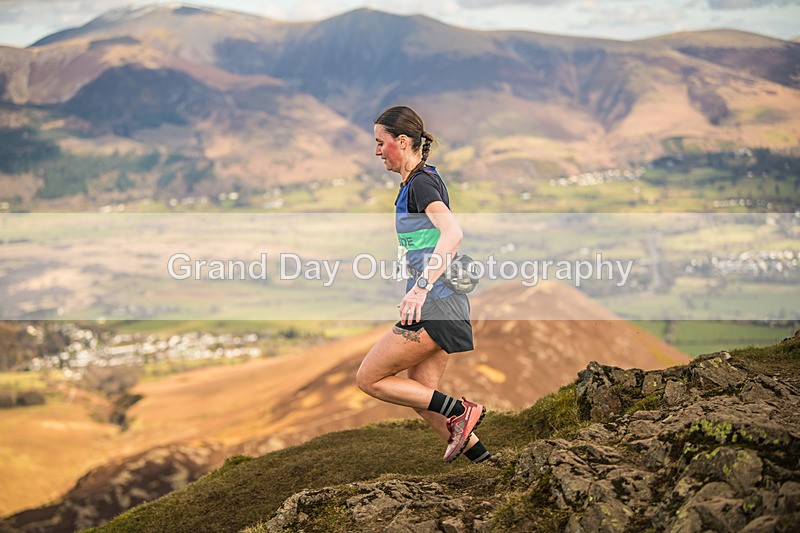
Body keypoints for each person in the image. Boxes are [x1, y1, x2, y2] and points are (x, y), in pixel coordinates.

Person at [356, 105, 490, 464]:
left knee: (370, 377)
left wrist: (420, 288)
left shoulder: (422, 183)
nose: (376, 151)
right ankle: (486, 462)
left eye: (380, 142)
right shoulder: (417, 181)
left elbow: (453, 232)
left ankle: (460, 409)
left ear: (402, 141)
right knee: (420, 394)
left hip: (436, 304)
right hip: (445, 302)